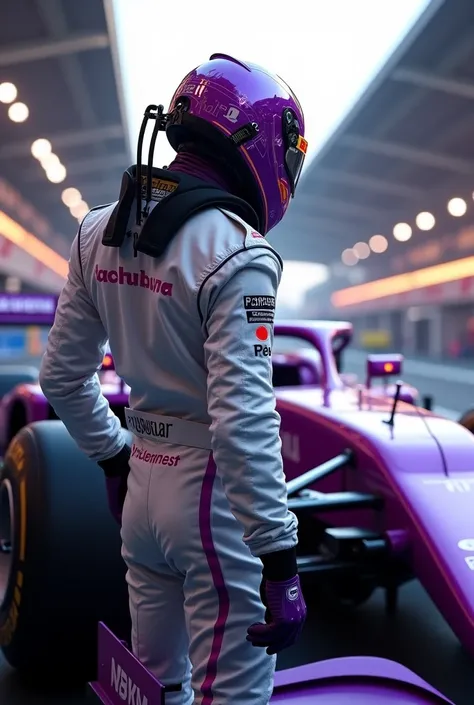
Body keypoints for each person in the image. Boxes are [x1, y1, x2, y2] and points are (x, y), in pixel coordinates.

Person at [39, 53, 308, 704]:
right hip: (211, 501)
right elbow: (243, 417)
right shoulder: (242, 253)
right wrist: (279, 556)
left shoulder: (96, 230)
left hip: (141, 487)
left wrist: (112, 458)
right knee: (234, 696)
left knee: (153, 688)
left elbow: (62, 376)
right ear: (257, 143)